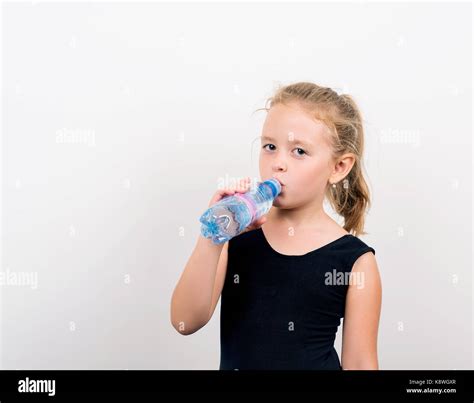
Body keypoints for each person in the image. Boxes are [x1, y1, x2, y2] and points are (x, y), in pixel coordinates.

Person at [171, 81, 382, 370]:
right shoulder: (237, 237)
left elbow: (360, 363)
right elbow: (185, 321)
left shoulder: (355, 261)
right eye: (270, 147)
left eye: (299, 152)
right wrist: (213, 238)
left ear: (338, 167)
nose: (278, 163)